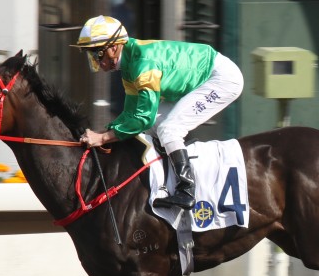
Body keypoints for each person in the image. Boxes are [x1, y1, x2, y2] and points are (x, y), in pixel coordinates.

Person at [71, 15, 244, 210]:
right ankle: (168, 180)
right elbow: (131, 114)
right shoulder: (128, 63)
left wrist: (102, 139)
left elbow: (142, 118)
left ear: (113, 47)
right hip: (202, 78)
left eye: (97, 54)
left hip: (221, 79)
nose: (96, 61)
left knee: (169, 129)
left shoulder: (142, 65)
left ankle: (187, 189)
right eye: (92, 55)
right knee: (155, 125)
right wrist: (104, 133)